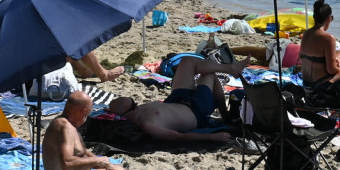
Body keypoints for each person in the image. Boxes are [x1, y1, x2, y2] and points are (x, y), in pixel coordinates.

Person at [43, 92, 198, 170]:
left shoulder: (68, 124)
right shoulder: (62, 127)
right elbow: (67, 163)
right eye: (88, 114)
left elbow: (83, 154)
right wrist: (99, 160)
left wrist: (107, 164)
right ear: (84, 112)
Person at [106, 56, 249, 143]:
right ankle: (225, 115)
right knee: (209, 75)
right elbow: (179, 137)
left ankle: (231, 69)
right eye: (133, 106)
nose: (137, 105)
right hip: (195, 110)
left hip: (176, 99)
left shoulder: (135, 112)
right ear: (124, 117)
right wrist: (212, 138)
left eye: (133, 101)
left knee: (187, 61)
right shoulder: (148, 125)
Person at [300, 0, 340, 89]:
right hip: (321, 86)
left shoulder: (306, 34)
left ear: (314, 17)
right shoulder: (328, 38)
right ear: (329, 18)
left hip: (306, 82)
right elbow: (331, 70)